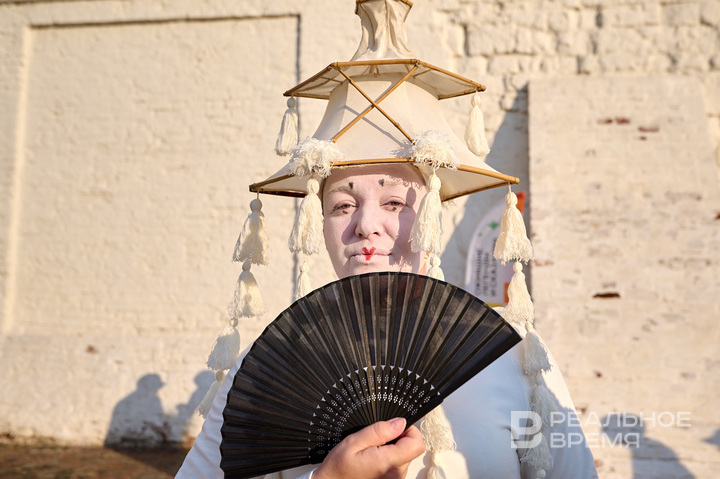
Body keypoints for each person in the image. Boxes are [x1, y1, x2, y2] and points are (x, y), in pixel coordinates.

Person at [177, 1, 598, 477]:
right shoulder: (267, 370)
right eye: (342, 205)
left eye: (395, 202)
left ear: (433, 217)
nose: (366, 225)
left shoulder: (514, 359)